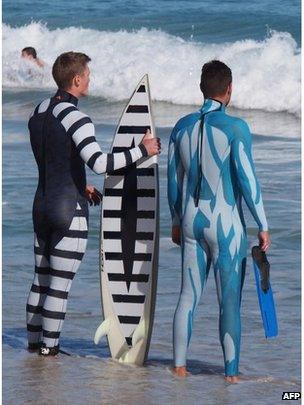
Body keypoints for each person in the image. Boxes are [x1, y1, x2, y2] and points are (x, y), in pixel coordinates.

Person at [26, 51, 161, 356]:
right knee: (59, 285)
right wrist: (142, 149)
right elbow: (100, 164)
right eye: (87, 74)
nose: (89, 79)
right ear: (76, 79)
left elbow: (54, 160)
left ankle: (34, 348)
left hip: (42, 205)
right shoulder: (77, 117)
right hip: (68, 211)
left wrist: (78, 182)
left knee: (40, 281)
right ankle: (50, 351)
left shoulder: (38, 112)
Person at [167, 60, 270, 383]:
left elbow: (173, 182)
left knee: (187, 297)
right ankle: (231, 375)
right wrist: (263, 224)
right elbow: (247, 180)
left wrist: (174, 220)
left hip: (190, 222)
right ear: (229, 90)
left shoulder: (180, 127)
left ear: (202, 89)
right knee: (229, 304)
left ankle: (179, 368)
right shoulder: (236, 128)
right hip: (226, 226)